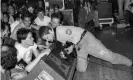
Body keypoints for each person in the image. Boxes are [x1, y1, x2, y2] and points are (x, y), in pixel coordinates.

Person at [39, 26, 132, 72]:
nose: (48, 40)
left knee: (111, 58)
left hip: (87, 40)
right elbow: (72, 39)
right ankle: (87, 56)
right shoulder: (56, 36)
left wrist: (73, 46)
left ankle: (129, 62)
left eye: (47, 37)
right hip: (80, 46)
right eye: (45, 39)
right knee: (81, 69)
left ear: (50, 30)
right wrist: (72, 47)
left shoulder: (59, 30)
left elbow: (76, 34)